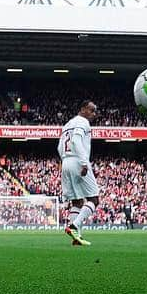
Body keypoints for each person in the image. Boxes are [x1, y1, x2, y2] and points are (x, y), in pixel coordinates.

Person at [58, 100, 99, 246]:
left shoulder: (67, 124)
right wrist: (83, 163)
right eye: (91, 110)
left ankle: (76, 238)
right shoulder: (82, 122)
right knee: (94, 199)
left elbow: (59, 147)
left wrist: (65, 162)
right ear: (82, 109)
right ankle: (74, 226)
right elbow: (75, 140)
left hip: (66, 161)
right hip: (77, 161)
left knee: (77, 201)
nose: (93, 114)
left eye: (94, 111)